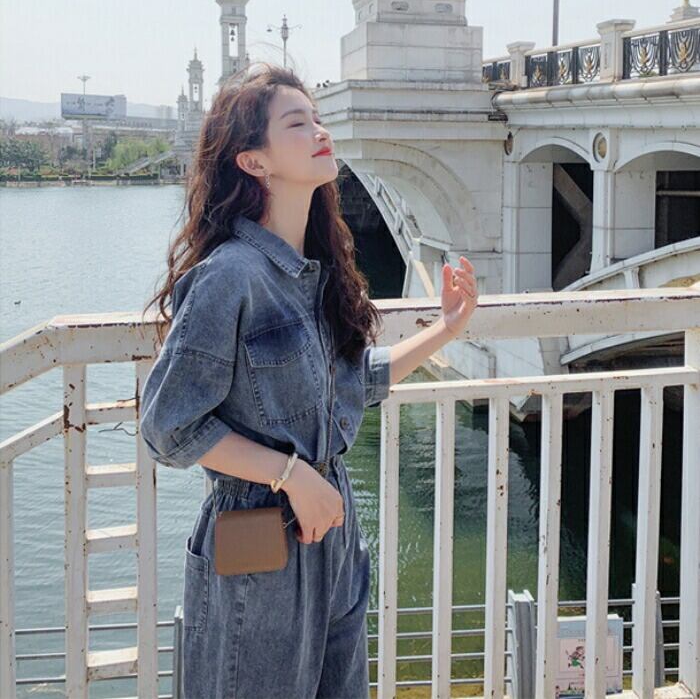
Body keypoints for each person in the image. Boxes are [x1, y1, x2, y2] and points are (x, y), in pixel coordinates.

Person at [139, 62, 478, 699]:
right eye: (298, 124)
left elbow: (350, 384)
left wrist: (447, 329)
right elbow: (167, 427)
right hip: (260, 543)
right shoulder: (230, 277)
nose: (321, 132)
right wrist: (292, 476)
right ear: (253, 161)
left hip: (333, 536)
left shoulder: (312, 271)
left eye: (318, 119)